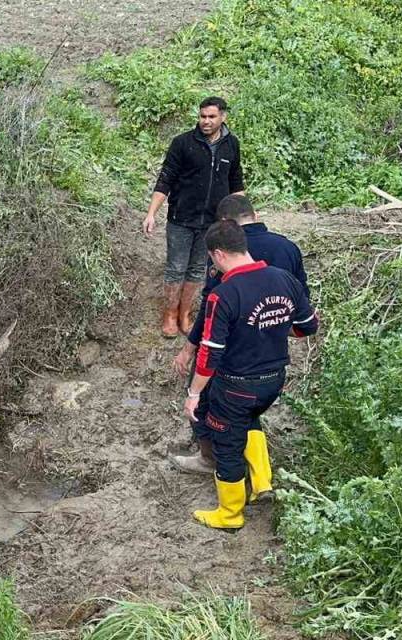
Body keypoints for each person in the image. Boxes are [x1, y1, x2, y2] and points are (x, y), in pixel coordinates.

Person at [169, 195, 309, 497]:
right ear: (254, 214)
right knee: (248, 413)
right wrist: (272, 326)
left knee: (222, 428)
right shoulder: (287, 255)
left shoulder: (225, 276)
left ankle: (220, 481)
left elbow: (210, 318)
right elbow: (305, 318)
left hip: (232, 365)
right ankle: (262, 482)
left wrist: (192, 377)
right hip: (272, 363)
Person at [143, 96, 245, 338]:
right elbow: (165, 179)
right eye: (202, 116)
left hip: (212, 222)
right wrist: (151, 213)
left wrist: (243, 216)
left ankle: (185, 314)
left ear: (223, 117)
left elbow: (236, 182)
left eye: (211, 117)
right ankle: (169, 314)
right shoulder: (182, 144)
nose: (206, 121)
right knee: (176, 268)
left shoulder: (231, 145)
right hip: (181, 218)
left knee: (198, 269)